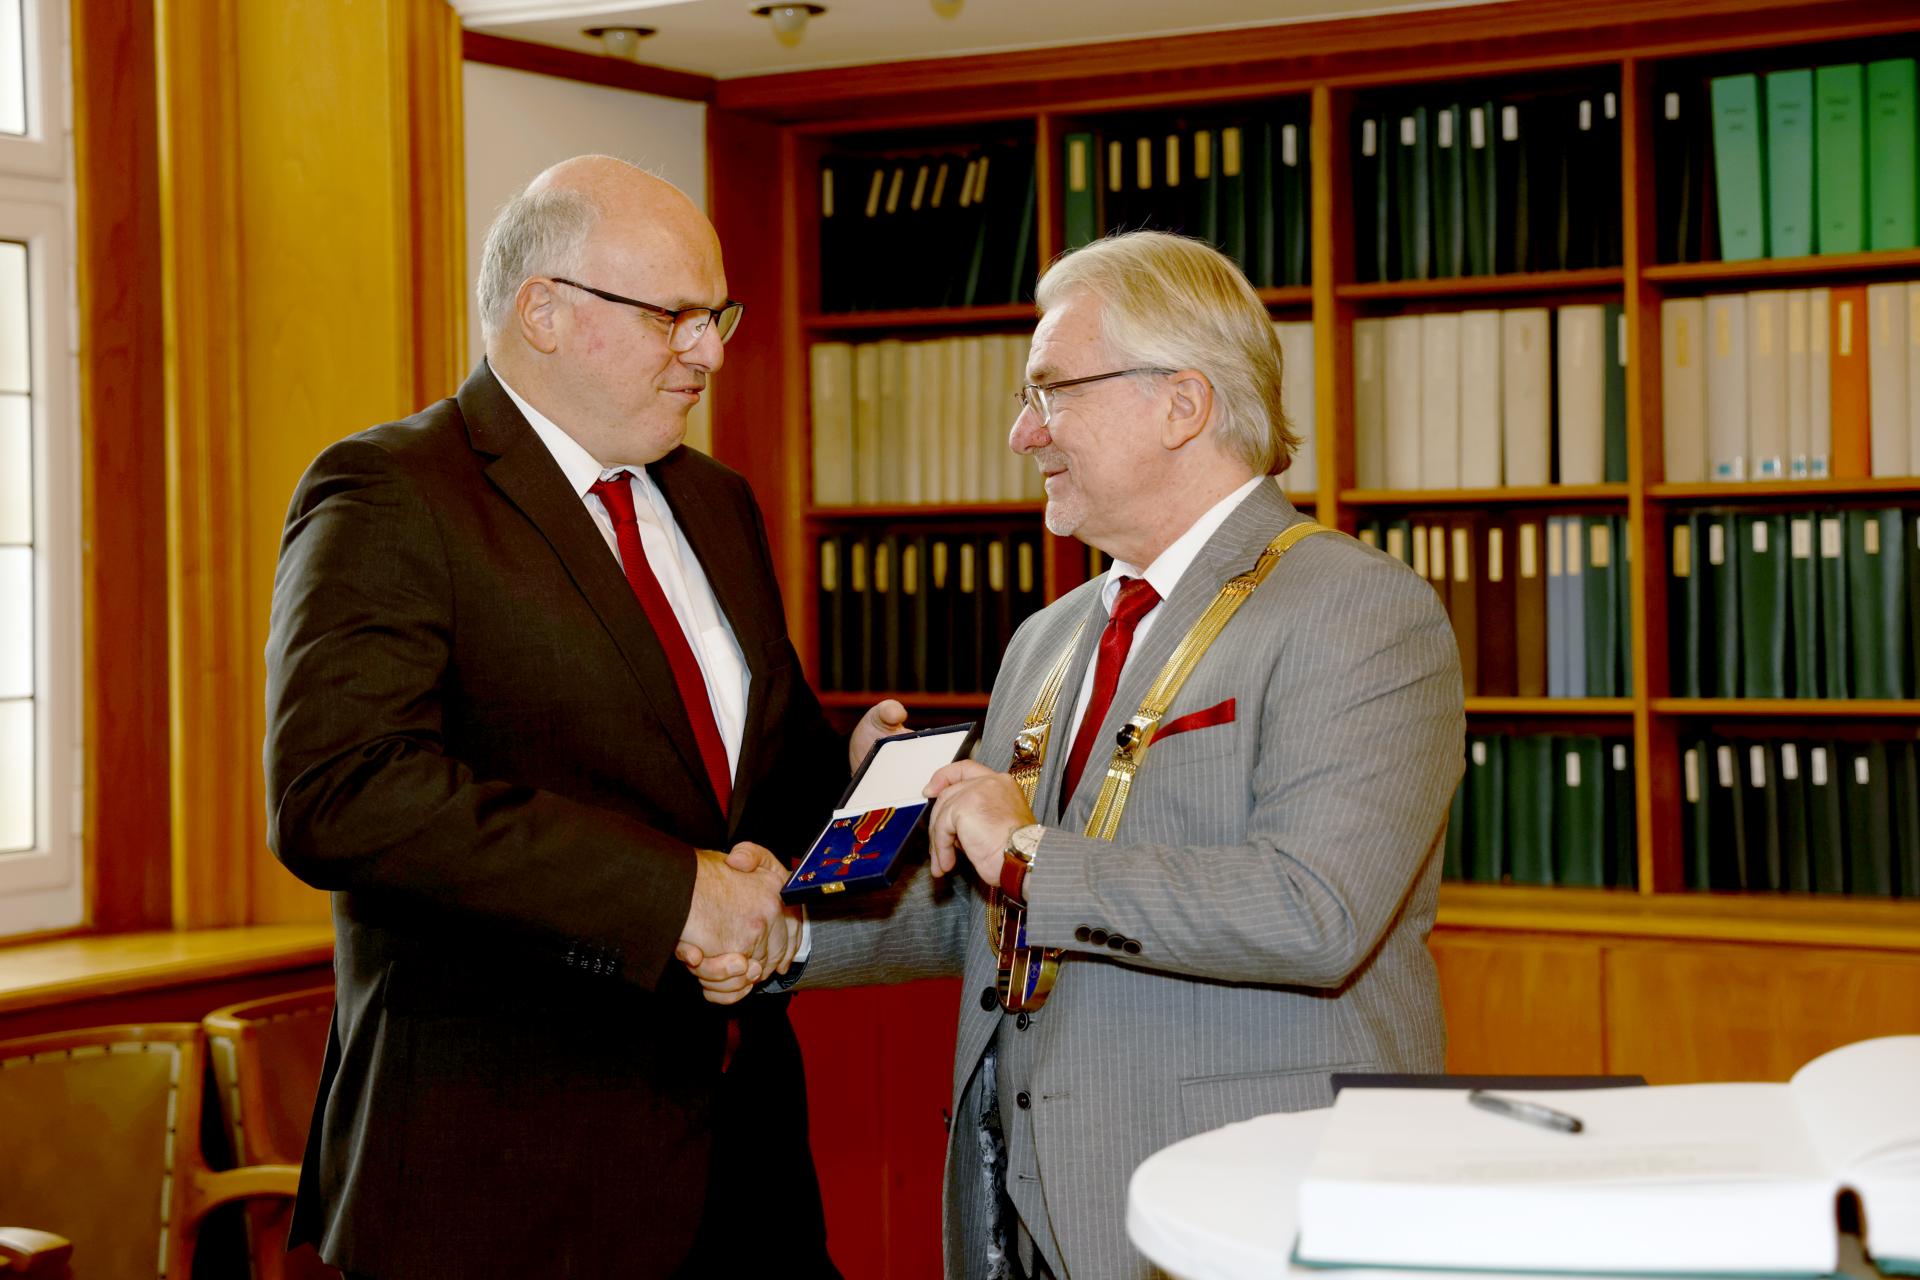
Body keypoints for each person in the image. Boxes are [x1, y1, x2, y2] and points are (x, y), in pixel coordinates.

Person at [686, 230, 1465, 1279]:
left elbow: (1315, 910)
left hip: (1242, 1205)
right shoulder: (1049, 637)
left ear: (1182, 403)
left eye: (1052, 391)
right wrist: (782, 936)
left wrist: (1028, 854)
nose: (1022, 431)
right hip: (1023, 1199)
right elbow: (990, 899)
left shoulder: (1355, 608)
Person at [264, 155, 902, 1278]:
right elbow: (341, 793)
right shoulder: (393, 491)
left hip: (742, 1169)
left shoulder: (715, 499)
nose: (709, 351)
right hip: (506, 1185)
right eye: (676, 317)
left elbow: (747, 766)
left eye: (720, 316)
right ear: (544, 311)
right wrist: (674, 894)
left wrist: (850, 760)